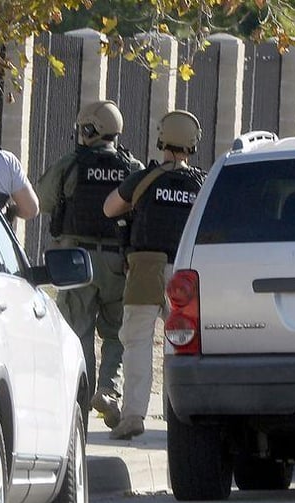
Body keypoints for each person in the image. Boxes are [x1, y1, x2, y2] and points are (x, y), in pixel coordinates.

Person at [37, 99, 144, 428]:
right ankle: (108, 391)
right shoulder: (132, 168)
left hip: (76, 262)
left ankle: (79, 403)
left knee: (78, 333)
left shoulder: (70, 164)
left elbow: (43, 200)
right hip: (117, 262)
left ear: (89, 130)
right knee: (115, 335)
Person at [102, 109, 207, 439]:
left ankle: (133, 415)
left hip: (144, 266)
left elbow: (109, 208)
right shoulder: (201, 184)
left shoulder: (144, 179)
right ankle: (180, 416)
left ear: (161, 137)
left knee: (137, 343)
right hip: (186, 272)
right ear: (193, 143)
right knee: (183, 344)